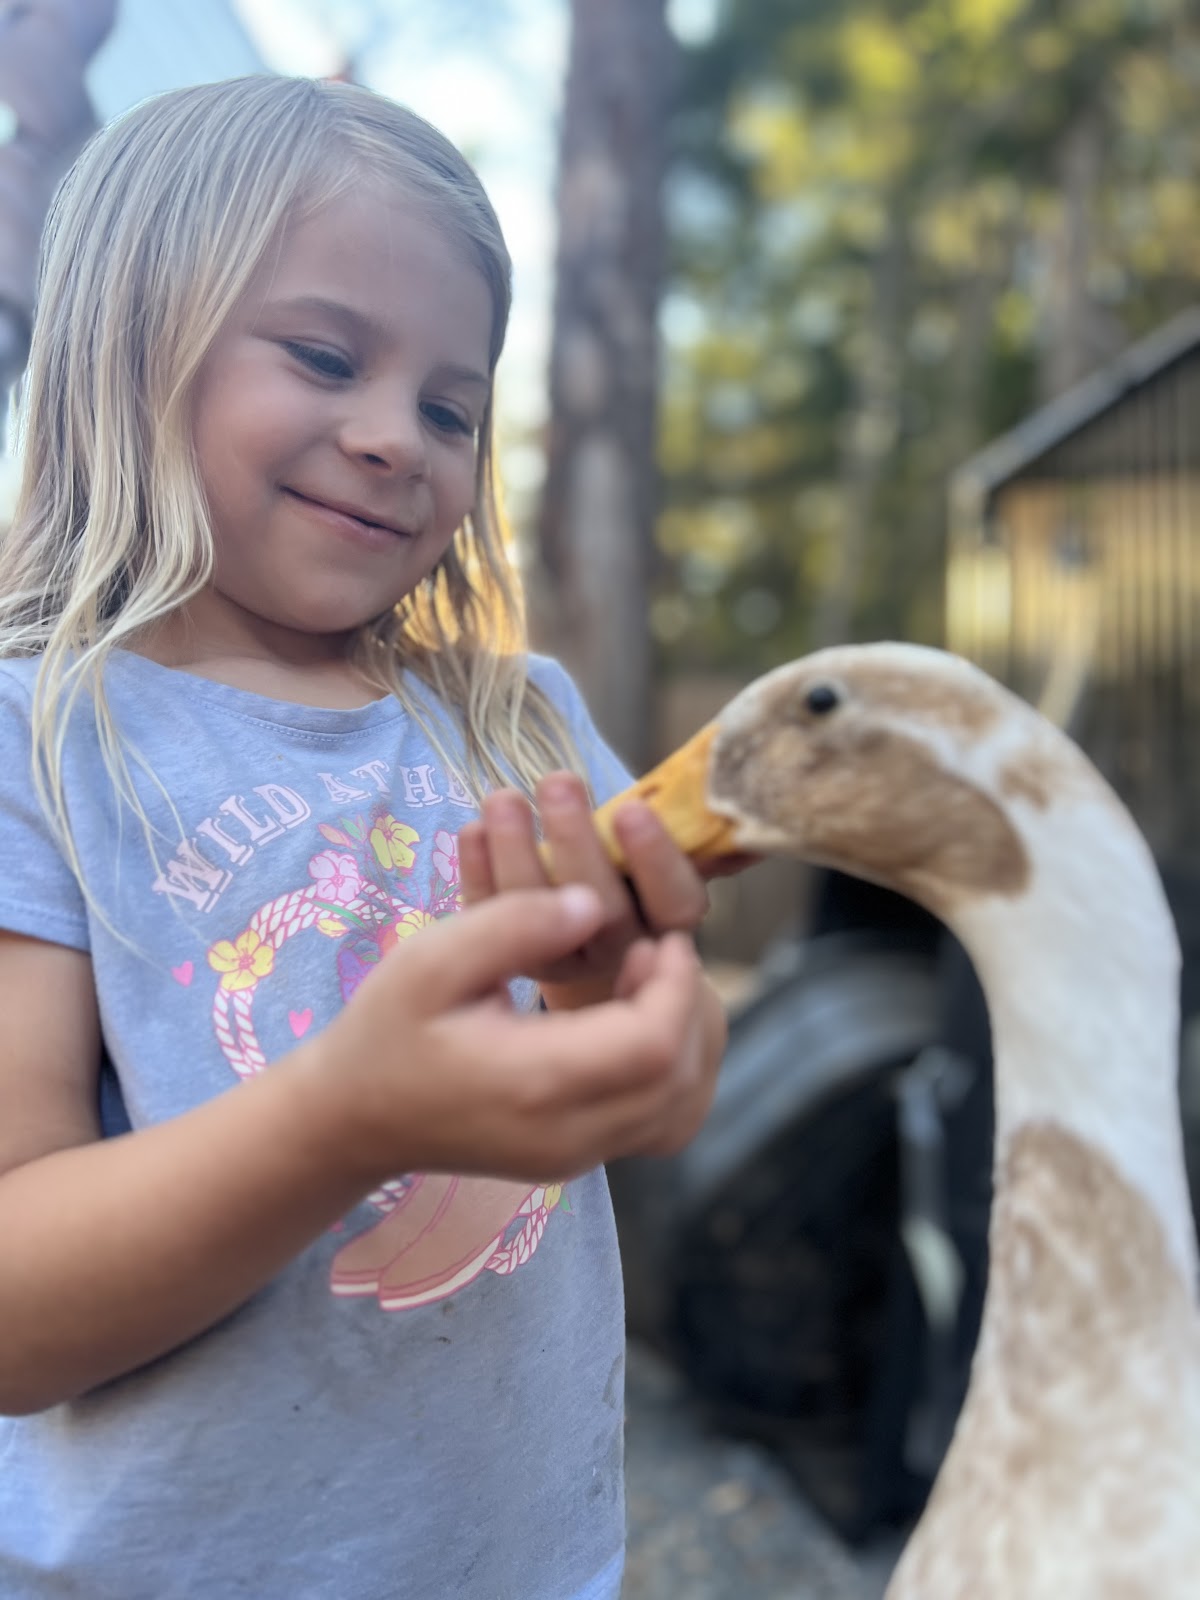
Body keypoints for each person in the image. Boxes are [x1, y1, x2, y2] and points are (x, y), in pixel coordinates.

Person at [0, 75, 727, 1600]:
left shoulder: (521, 725)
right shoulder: (35, 741)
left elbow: (643, 1085)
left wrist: (622, 1024)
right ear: (130, 345)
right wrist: (348, 1116)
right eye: (328, 357)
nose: (400, 438)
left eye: (452, 406)